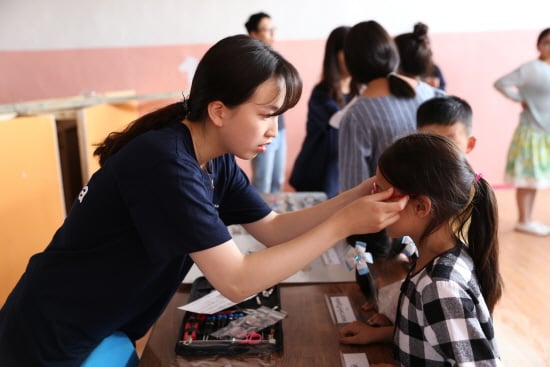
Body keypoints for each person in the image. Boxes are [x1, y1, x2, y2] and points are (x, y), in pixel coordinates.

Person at [0, 35, 409, 367]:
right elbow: (236, 280)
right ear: (218, 110)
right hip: (51, 335)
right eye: (267, 114)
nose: (275, 130)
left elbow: (272, 230)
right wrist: (343, 225)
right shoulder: (168, 163)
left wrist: (356, 195)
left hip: (100, 326)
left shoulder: (214, 160)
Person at [341, 133, 503, 366]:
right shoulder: (427, 258)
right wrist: (377, 334)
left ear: (420, 206)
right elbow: (430, 334)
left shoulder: (440, 286)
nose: (373, 201)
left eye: (382, 192)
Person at [338, 20, 445, 192]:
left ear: (351, 65)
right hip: (439, 206)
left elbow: (353, 191)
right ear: (392, 52)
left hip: (391, 214)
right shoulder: (433, 94)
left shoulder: (356, 117)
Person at [494, 27, 550, 237]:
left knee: (537, 178)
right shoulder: (531, 68)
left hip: (546, 133)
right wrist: (520, 99)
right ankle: (524, 220)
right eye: (547, 42)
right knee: (529, 178)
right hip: (532, 131)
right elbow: (501, 83)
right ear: (538, 45)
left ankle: (528, 219)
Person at [289, 26, 356, 198]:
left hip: (343, 174)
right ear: (336, 55)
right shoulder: (322, 92)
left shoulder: (358, 91)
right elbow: (337, 120)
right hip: (316, 173)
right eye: (348, 52)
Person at [245, 12, 286, 193]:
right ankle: (259, 220)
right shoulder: (249, 61)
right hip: (261, 129)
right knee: (262, 182)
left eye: (273, 29)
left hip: (280, 127)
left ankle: (277, 220)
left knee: (278, 180)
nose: (272, 34)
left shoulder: (276, 59)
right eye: (267, 30)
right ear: (254, 34)